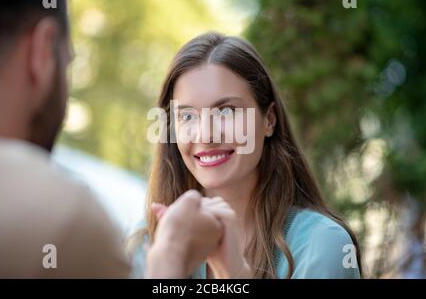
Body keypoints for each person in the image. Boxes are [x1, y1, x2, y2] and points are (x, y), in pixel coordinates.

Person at [0, 0, 222, 278]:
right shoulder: (62, 219)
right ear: (41, 52)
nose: (206, 134)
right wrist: (171, 260)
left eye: (226, 111)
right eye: (68, 62)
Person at [129, 32, 362, 279]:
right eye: (187, 116)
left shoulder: (321, 245)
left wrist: (234, 273)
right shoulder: (150, 239)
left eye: (226, 111)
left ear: (269, 120)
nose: (206, 135)